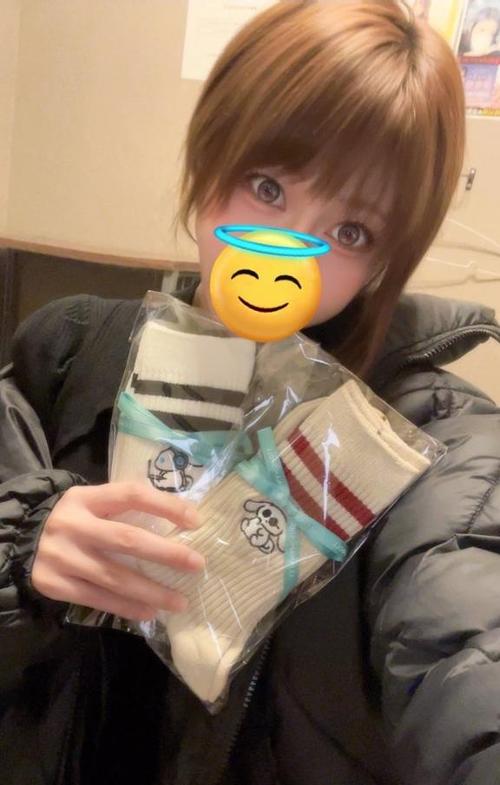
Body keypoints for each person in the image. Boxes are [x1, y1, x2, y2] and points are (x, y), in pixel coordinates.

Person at [1, 2, 500, 784]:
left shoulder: (425, 437)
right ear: (209, 160)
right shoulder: (68, 350)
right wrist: (20, 541)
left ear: (384, 260)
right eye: (266, 187)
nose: (283, 252)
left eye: (352, 231)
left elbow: (467, 633)